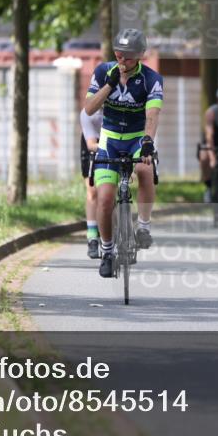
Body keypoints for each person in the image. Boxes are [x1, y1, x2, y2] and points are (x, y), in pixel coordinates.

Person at [84, 28, 164, 279]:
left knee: (145, 169)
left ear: (140, 55)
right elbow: (88, 109)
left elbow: (152, 114)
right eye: (118, 54)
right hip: (109, 140)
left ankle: (143, 226)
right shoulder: (102, 71)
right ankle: (107, 251)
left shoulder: (152, 79)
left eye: (128, 56)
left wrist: (148, 141)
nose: (122, 60)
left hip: (136, 138)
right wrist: (108, 85)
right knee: (105, 199)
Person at [80, 107, 104, 259]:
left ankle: (111, 233)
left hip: (117, 141)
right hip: (93, 144)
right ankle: (92, 237)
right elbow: (91, 145)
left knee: (109, 193)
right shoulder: (88, 113)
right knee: (93, 191)